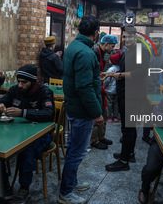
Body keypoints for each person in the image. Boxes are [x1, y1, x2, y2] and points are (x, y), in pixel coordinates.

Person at [0, 64, 55, 204]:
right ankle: (3, 186)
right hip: (16, 132)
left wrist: (23, 113)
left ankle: (24, 188)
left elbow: (49, 114)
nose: (20, 85)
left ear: (32, 81)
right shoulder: (15, 90)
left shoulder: (45, 92)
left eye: (23, 82)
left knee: (26, 150)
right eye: (18, 81)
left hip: (41, 135)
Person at [58, 15, 104, 204]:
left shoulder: (73, 47)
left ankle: (72, 181)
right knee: (77, 151)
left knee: (73, 148)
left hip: (74, 106)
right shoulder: (86, 53)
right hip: (82, 110)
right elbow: (84, 88)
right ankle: (66, 192)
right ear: (96, 33)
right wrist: (96, 113)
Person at [104, 25, 150, 171]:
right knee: (128, 127)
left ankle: (124, 162)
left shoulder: (140, 50)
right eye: (125, 36)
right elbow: (123, 69)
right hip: (125, 92)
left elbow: (141, 72)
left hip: (133, 95)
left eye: (130, 36)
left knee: (128, 129)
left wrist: (119, 76)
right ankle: (129, 153)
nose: (127, 39)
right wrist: (110, 74)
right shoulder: (127, 50)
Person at [143, 37, 163, 144]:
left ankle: (146, 135)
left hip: (153, 89)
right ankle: (128, 135)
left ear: (161, 43)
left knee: (150, 113)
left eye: (156, 41)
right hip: (139, 87)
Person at [90, 34, 118, 150]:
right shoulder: (95, 53)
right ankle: (94, 141)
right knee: (97, 115)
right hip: (96, 88)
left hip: (101, 87)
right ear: (106, 44)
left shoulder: (103, 53)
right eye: (112, 46)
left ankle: (101, 137)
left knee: (104, 114)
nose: (112, 49)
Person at [103, 53, 122, 123]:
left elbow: (107, 80)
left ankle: (109, 116)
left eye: (110, 60)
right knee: (116, 103)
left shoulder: (110, 69)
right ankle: (115, 116)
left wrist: (104, 87)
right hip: (117, 90)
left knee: (109, 103)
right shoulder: (120, 68)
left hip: (110, 90)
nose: (109, 61)